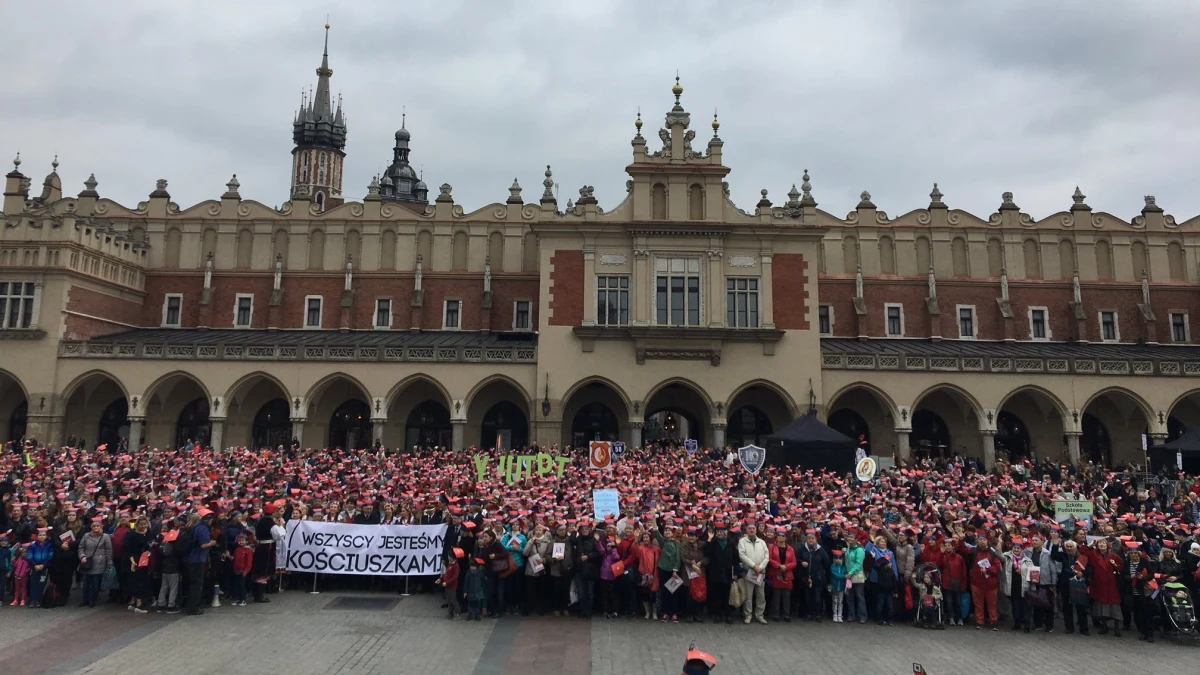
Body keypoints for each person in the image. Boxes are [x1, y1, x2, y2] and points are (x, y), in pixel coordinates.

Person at [1083, 538, 1123, 636]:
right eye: (1100, 543)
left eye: (1104, 543)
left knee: (1115, 607)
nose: (1102, 545)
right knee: (1101, 607)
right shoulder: (1093, 554)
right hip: (1099, 584)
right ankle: (1104, 626)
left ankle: (1117, 628)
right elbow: (1083, 554)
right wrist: (1090, 544)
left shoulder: (1114, 556)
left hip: (1111, 585)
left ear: (1108, 545)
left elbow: (1121, 567)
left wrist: (1115, 565)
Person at [703, 522, 737, 624]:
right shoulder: (713, 543)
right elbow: (706, 552)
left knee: (727, 595)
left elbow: (735, 559)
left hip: (727, 573)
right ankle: (718, 615)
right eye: (718, 532)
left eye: (721, 532)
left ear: (725, 533)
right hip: (716, 573)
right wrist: (709, 539)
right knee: (717, 596)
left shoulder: (730, 544)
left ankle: (728, 615)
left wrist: (735, 573)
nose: (720, 534)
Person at [183, 510, 216, 616]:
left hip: (189, 558)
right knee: (197, 584)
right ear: (209, 520)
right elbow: (203, 545)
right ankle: (193, 607)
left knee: (192, 583)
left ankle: (190, 605)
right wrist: (212, 543)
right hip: (197, 559)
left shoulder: (195, 526)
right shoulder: (203, 529)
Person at [967, 534, 1000, 630]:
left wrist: (988, 570)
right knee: (978, 604)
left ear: (987, 541)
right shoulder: (974, 551)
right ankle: (979, 621)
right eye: (980, 539)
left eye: (984, 539)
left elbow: (997, 567)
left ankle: (993, 622)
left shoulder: (993, 552)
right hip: (976, 583)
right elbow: (963, 550)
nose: (982, 541)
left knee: (992, 604)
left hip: (991, 584)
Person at [77, 517, 112, 608]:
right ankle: (85, 600)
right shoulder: (86, 536)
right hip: (87, 561)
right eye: (94, 526)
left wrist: (109, 561)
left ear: (101, 526)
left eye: (98, 526)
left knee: (95, 583)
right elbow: (81, 547)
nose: (96, 527)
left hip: (99, 562)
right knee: (85, 583)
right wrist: (82, 556)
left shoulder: (105, 536)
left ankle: (92, 600)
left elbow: (108, 550)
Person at [737, 523, 768, 624]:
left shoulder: (762, 542)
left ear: (756, 529)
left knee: (761, 595)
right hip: (748, 572)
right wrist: (753, 566)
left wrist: (760, 567)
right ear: (746, 530)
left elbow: (766, 557)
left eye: (753, 528)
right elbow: (742, 555)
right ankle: (748, 615)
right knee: (748, 595)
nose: (751, 530)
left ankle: (759, 615)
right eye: (749, 528)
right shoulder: (742, 541)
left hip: (760, 573)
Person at [797, 528, 829, 621]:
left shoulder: (821, 550)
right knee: (807, 597)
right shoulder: (802, 549)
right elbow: (796, 559)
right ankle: (808, 614)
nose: (811, 540)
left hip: (818, 577)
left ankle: (818, 614)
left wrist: (821, 571)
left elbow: (826, 562)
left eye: (813, 538)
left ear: (816, 539)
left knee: (818, 597)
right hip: (806, 577)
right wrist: (801, 562)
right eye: (809, 538)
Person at [864, 535, 898, 625]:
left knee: (888, 602)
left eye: (884, 542)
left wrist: (895, 578)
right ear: (878, 542)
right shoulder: (874, 550)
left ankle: (888, 618)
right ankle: (879, 618)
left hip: (888, 580)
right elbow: (866, 549)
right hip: (876, 579)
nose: (883, 543)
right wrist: (871, 541)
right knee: (879, 601)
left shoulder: (890, 553)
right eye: (881, 541)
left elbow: (894, 565)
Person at [766, 527, 796, 622]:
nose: (781, 537)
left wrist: (786, 567)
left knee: (787, 596)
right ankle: (775, 614)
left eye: (783, 536)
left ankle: (786, 614)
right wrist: (779, 565)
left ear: (785, 538)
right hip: (776, 573)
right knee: (776, 595)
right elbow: (769, 559)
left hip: (787, 574)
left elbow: (794, 562)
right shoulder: (771, 547)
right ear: (776, 537)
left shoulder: (790, 549)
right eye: (779, 535)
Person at [26, 527, 54, 608]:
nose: (41, 536)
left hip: (44, 568)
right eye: (40, 535)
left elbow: (50, 556)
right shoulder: (33, 545)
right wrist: (34, 565)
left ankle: (39, 600)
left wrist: (43, 565)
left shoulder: (49, 545)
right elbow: (29, 556)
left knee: (41, 584)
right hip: (34, 567)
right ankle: (32, 600)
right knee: (33, 584)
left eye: (43, 535)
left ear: (46, 536)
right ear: (37, 536)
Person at [844, 536, 867, 624]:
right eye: (848, 537)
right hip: (848, 575)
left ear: (856, 539)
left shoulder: (860, 550)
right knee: (849, 596)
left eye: (851, 537)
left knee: (860, 596)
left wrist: (851, 572)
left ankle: (862, 616)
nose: (849, 538)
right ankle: (851, 615)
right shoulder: (848, 548)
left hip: (857, 575)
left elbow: (858, 563)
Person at [231, 533, 253, 606]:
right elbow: (234, 558)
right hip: (236, 570)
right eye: (239, 540)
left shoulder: (248, 550)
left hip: (243, 571)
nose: (241, 542)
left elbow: (249, 562)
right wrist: (228, 556)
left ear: (246, 541)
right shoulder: (237, 549)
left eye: (243, 540)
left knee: (242, 585)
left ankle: (242, 599)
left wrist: (246, 570)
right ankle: (238, 598)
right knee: (236, 585)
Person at [829, 549, 847, 623]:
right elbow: (834, 575)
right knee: (835, 601)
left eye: (840, 558)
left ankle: (840, 615)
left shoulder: (843, 568)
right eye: (836, 558)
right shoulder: (832, 567)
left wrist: (844, 576)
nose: (838, 560)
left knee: (841, 601)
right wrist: (843, 576)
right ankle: (834, 615)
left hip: (841, 587)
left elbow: (845, 574)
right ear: (833, 559)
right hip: (835, 586)